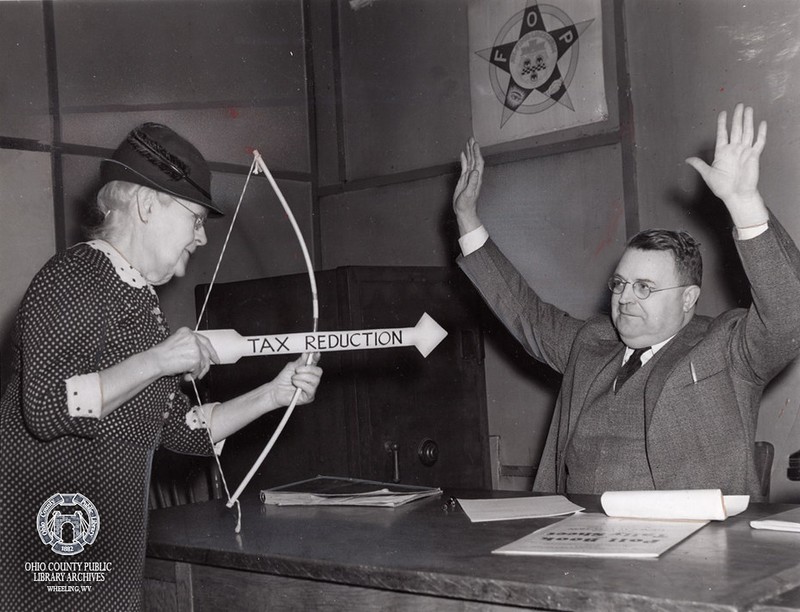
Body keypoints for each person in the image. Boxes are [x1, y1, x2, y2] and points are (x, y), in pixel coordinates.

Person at [0, 122, 323, 611]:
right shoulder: (74, 276)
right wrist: (158, 361)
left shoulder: (140, 301)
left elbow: (183, 431)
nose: (201, 238)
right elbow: (44, 409)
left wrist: (274, 395)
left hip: (108, 556)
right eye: (195, 219)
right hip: (49, 557)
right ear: (148, 206)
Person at [452, 104, 800, 499]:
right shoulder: (592, 342)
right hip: (578, 538)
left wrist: (744, 205)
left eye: (644, 287)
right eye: (620, 284)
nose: (624, 298)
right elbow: (524, 313)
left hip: (685, 548)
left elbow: (789, 315)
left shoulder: (725, 349)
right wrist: (467, 219)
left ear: (689, 298)